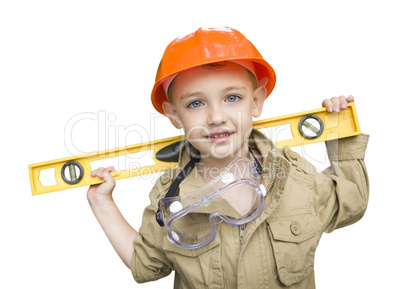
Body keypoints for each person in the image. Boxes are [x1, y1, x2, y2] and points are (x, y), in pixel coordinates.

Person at [87, 27, 369, 288]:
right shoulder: (170, 198)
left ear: (256, 101)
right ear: (174, 114)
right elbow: (146, 266)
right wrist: (102, 203)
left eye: (232, 98)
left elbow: (351, 203)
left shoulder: (293, 175)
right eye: (195, 103)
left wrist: (340, 135)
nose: (216, 117)